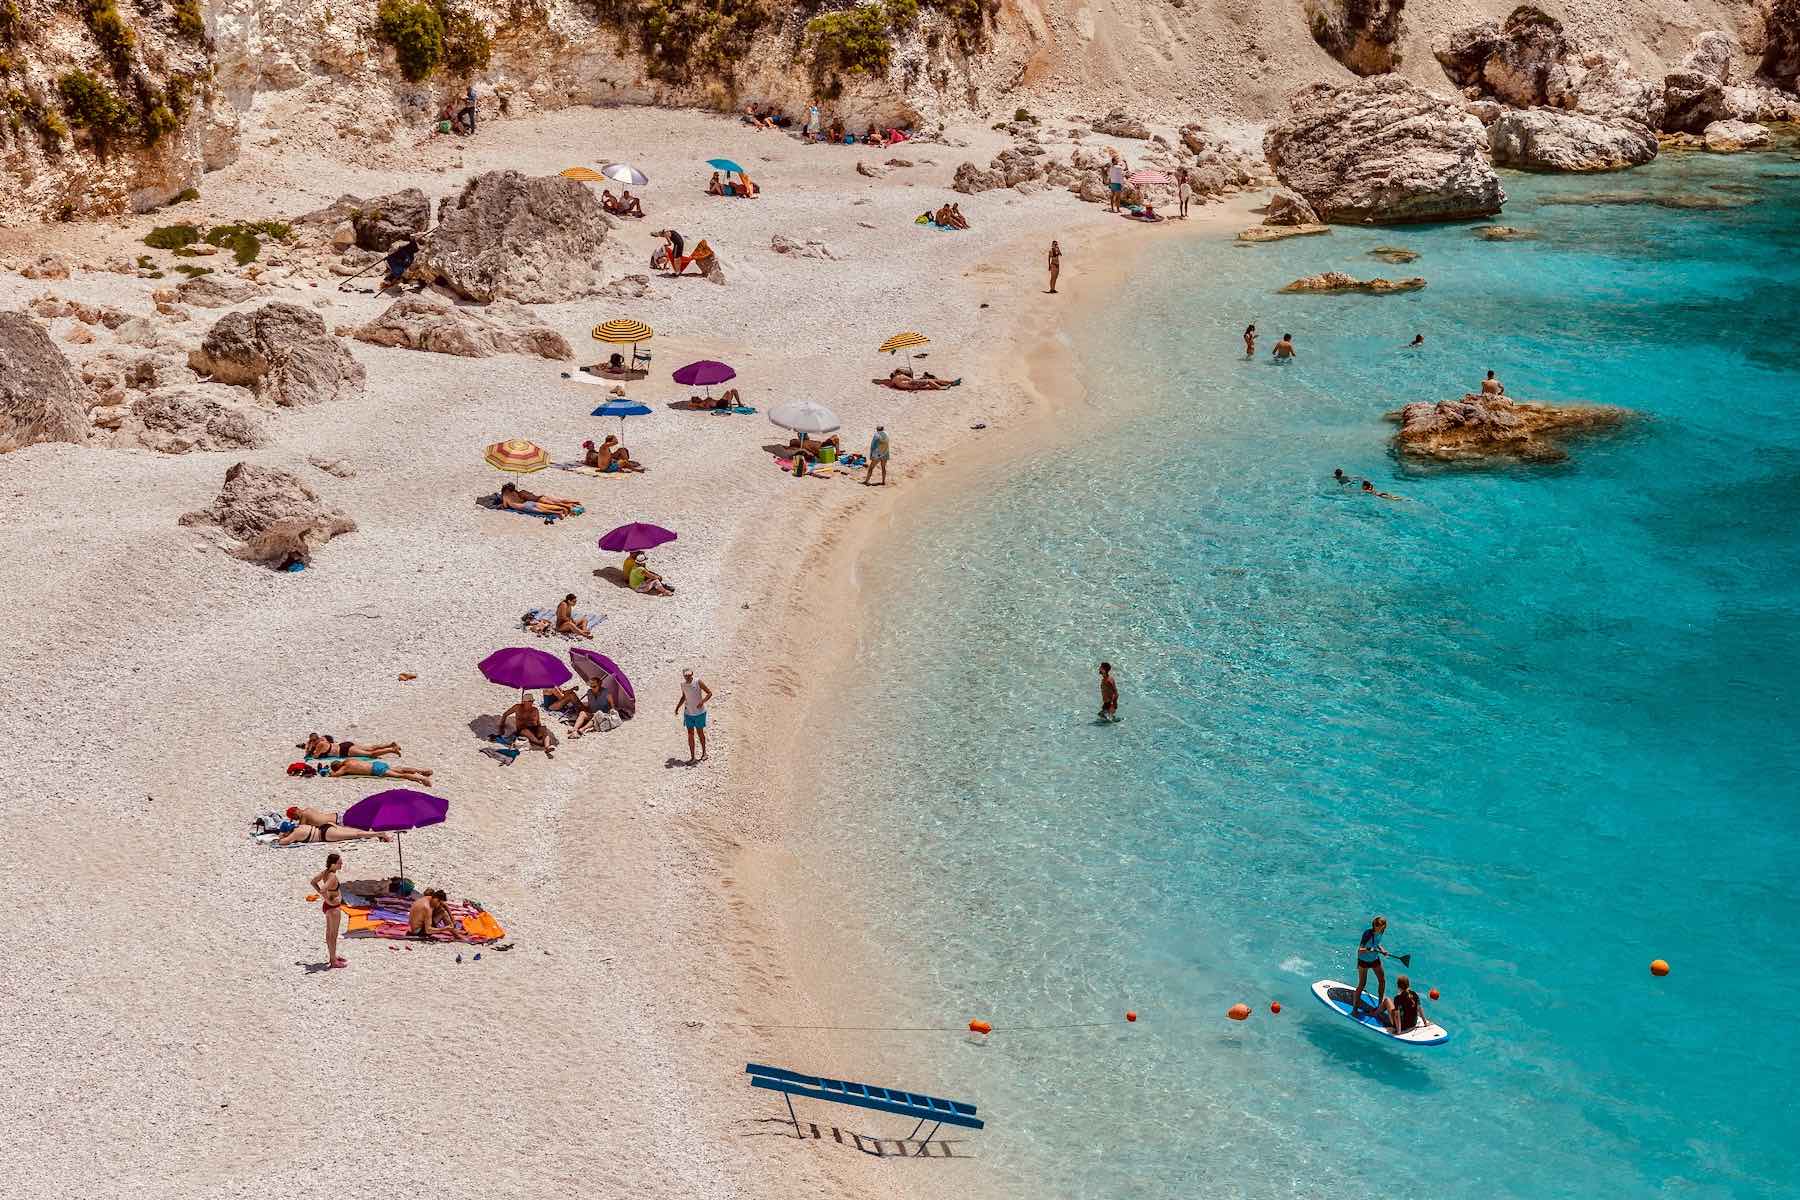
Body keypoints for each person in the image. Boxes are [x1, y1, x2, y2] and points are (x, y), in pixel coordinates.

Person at [310, 852, 348, 968]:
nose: (341, 865)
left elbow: (313, 882)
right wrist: (328, 899)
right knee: (333, 934)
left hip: (328, 907)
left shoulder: (325, 872)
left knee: (329, 932)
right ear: (333, 864)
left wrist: (326, 900)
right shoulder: (332, 877)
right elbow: (322, 889)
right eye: (339, 863)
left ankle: (333, 956)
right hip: (333, 908)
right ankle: (333, 961)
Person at [1352, 915, 1392, 1017]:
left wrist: (1382, 950)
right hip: (1364, 960)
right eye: (1379, 926)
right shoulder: (1367, 934)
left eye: (1383, 926)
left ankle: (1380, 1006)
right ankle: (1355, 1009)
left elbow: (1377, 943)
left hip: (1374, 959)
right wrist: (1368, 949)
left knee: (1382, 980)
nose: (1381, 928)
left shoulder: (1381, 932)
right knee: (1362, 984)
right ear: (1375, 925)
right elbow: (1360, 950)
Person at [676, 668, 712, 763]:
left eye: (689, 675)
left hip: (699, 713)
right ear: (683, 676)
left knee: (700, 733)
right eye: (686, 675)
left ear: (692, 674)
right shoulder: (683, 685)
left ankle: (704, 753)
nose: (688, 677)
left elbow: (709, 693)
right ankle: (693, 757)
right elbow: (684, 697)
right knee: (690, 734)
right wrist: (677, 707)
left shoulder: (698, 681)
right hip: (688, 713)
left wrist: (702, 702)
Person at [499, 481, 580, 517]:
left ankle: (560, 511)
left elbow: (506, 506)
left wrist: (502, 505)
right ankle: (567, 506)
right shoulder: (517, 492)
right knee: (554, 504)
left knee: (544, 510)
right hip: (533, 500)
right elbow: (523, 498)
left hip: (526, 505)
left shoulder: (506, 496)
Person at [326, 758, 435, 783]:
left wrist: (327, 773)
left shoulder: (345, 768)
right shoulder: (349, 760)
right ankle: (421, 771)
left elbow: (335, 775)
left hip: (375, 769)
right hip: (376, 763)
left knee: (400, 775)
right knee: (400, 769)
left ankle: (423, 779)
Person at [298, 734, 402, 760]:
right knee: (370, 748)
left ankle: (391, 750)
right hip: (345, 744)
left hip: (344, 750)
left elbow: (315, 757)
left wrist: (309, 748)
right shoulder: (323, 738)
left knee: (370, 754)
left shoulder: (320, 744)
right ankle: (390, 744)